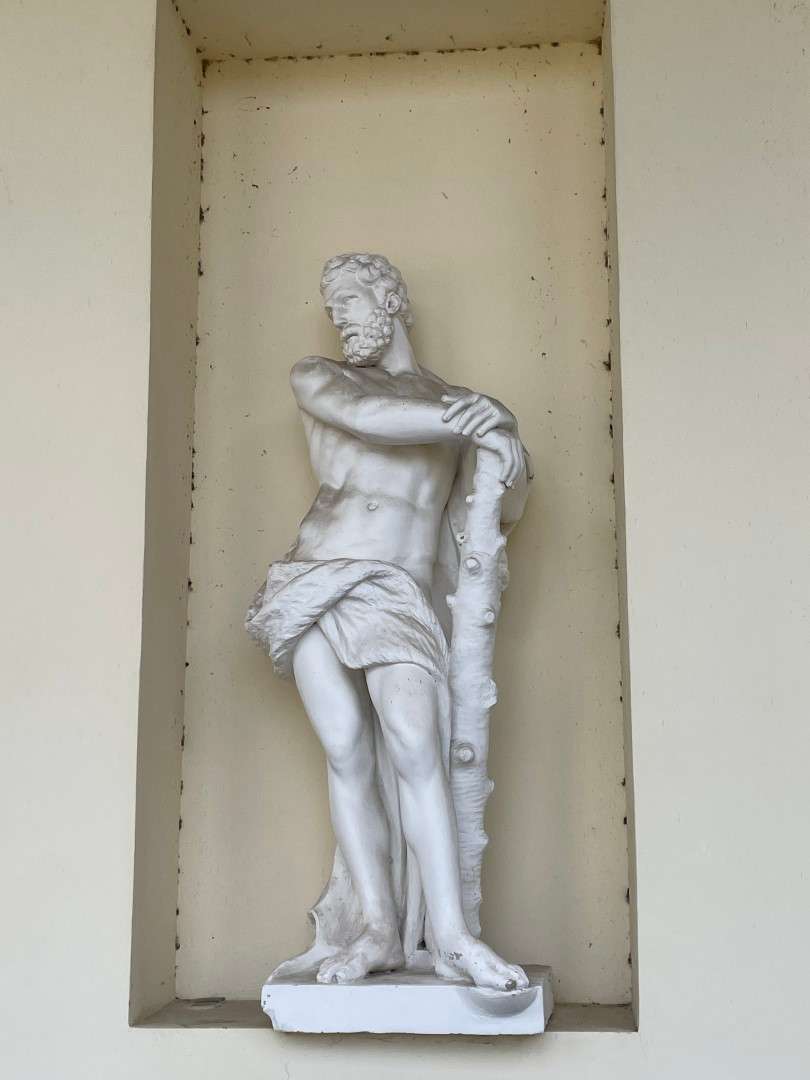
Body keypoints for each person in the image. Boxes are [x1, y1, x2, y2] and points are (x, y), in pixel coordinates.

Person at [247, 254, 530, 990]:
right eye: (331, 306)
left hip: (398, 591)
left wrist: (503, 436)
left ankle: (453, 937)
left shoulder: (457, 405)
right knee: (345, 750)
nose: (338, 317)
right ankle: (376, 928)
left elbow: (509, 499)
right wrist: (481, 418)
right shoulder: (322, 378)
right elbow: (371, 421)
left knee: (414, 746)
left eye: (349, 299)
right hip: (315, 578)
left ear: (391, 299)